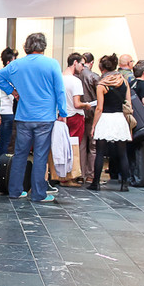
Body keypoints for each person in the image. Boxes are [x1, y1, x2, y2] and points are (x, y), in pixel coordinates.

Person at [0, 32, 67, 203]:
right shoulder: (52, 64)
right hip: (45, 117)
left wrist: (13, 91)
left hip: (23, 116)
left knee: (20, 154)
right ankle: (39, 194)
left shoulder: (17, 64)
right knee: (40, 155)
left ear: (27, 46)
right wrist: (63, 113)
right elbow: (60, 90)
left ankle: (15, 191)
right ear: (44, 45)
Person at [89, 54, 132, 192]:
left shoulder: (102, 85)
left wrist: (94, 125)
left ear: (102, 68)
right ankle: (124, 184)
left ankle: (95, 183)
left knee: (100, 152)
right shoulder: (124, 82)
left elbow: (99, 108)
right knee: (122, 153)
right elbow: (128, 103)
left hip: (105, 118)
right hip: (119, 118)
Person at [61, 52, 89, 186]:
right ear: (75, 63)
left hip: (61, 116)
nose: (83, 67)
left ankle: (60, 175)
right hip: (75, 116)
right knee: (73, 147)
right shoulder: (76, 81)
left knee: (61, 146)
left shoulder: (59, 78)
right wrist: (87, 105)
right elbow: (77, 104)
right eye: (82, 64)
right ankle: (69, 177)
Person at [79, 51, 101, 184]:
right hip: (92, 113)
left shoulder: (76, 75)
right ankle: (90, 174)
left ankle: (80, 173)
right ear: (91, 63)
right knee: (93, 145)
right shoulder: (94, 76)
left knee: (81, 144)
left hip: (78, 113)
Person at [0, 47, 18, 164]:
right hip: (8, 112)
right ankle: (2, 169)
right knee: (7, 145)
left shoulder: (1, 75)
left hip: (4, 112)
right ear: (9, 62)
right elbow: (13, 96)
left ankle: (0, 169)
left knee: (4, 144)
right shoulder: (7, 77)